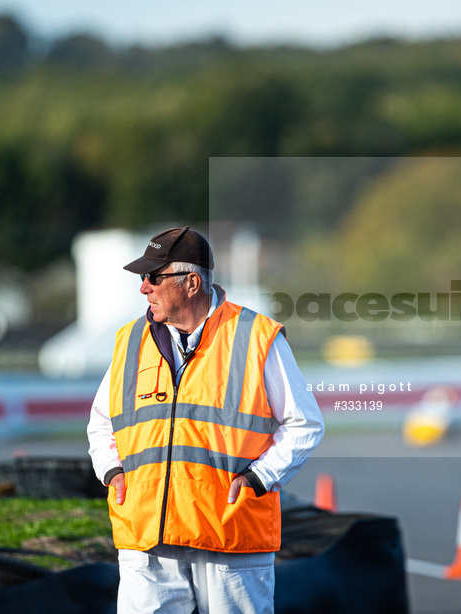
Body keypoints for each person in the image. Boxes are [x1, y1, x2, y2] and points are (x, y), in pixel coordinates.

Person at [87, 226, 325, 614]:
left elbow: (305, 424)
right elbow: (101, 421)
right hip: (145, 538)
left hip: (228, 538)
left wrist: (259, 479)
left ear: (192, 283)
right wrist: (113, 471)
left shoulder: (256, 337)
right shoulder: (130, 340)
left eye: (152, 277)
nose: (143, 288)